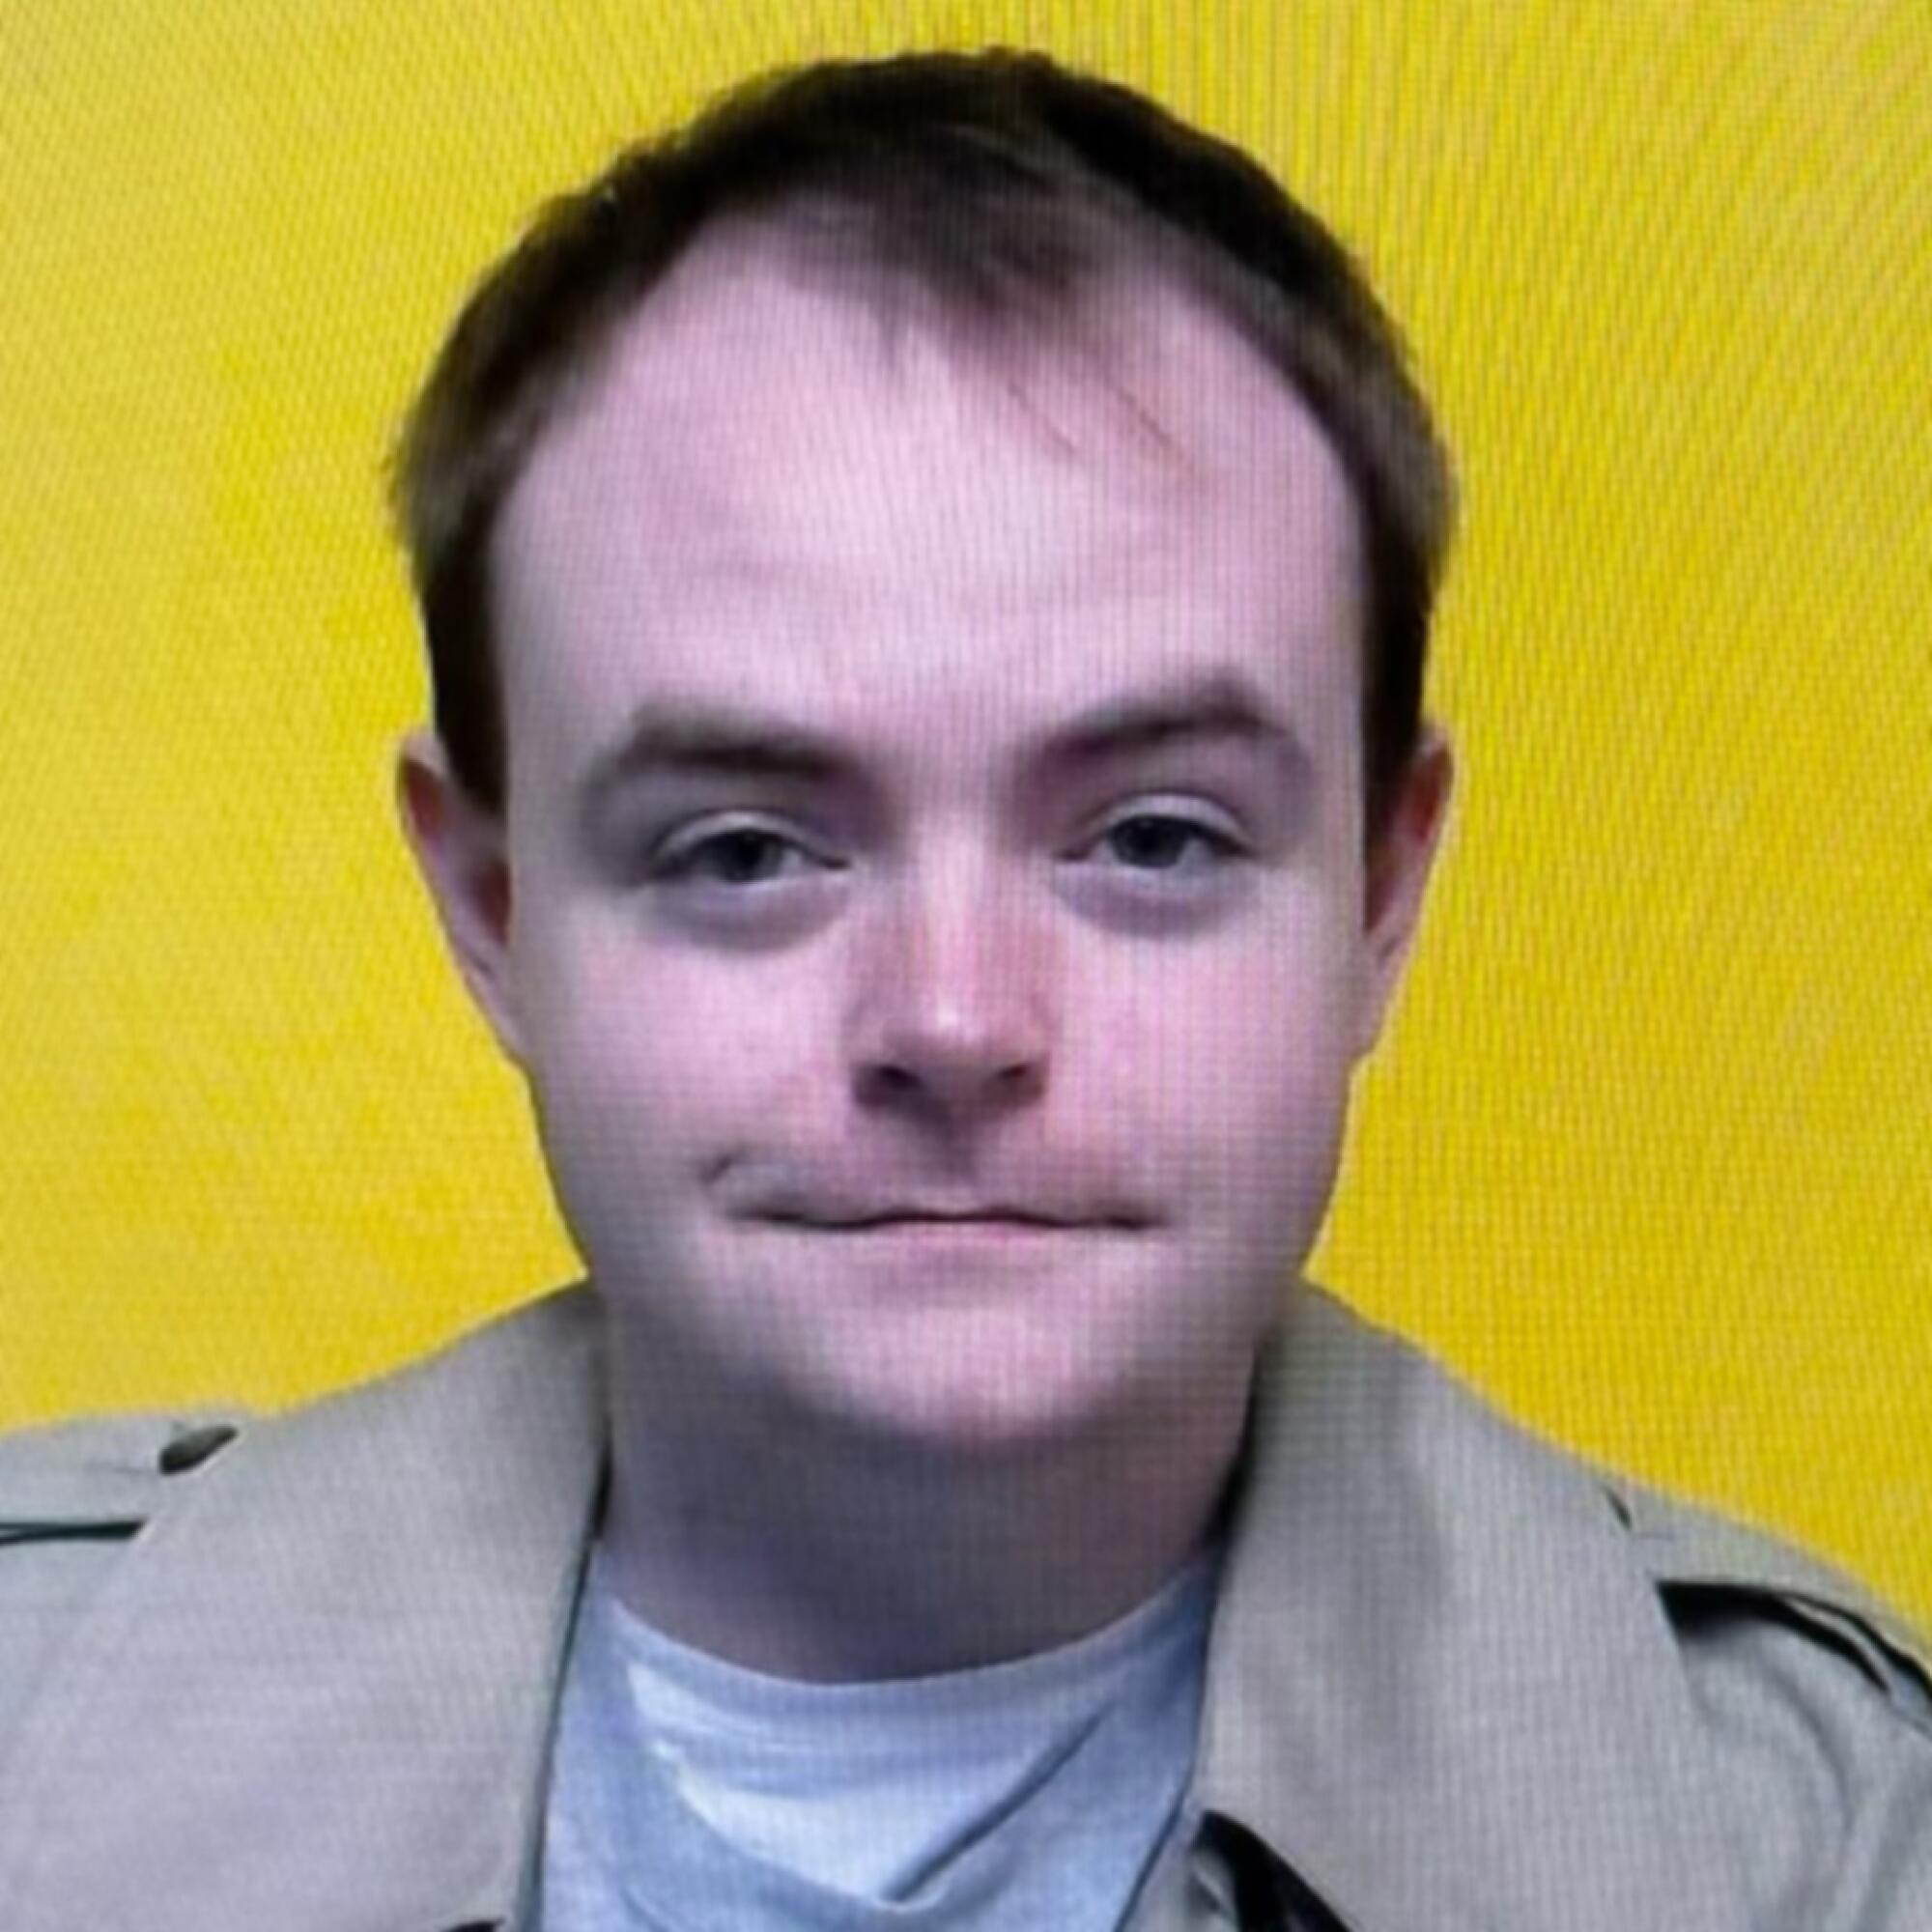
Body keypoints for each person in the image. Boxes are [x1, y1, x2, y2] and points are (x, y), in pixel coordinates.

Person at [1, 46, 1925, 1932]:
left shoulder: (1823, 1838)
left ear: (1379, 892)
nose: (948, 1017)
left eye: (1153, 839)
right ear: (494, 905)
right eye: (747, 848)